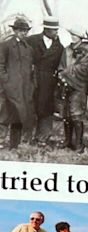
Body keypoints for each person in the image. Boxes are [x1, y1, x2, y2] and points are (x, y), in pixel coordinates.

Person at [26, 16, 63, 146]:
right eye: (54, 30)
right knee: (29, 107)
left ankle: (43, 137)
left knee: (46, 108)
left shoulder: (59, 46)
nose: (56, 33)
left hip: (49, 81)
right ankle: (26, 137)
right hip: (31, 77)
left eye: (57, 30)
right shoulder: (31, 40)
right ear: (47, 29)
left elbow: (60, 65)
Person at [0, 18, 36, 149]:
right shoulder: (6, 45)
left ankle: (14, 144)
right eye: (20, 30)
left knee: (20, 115)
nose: (23, 33)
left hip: (24, 89)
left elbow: (31, 69)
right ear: (14, 30)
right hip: (8, 87)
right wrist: (6, 81)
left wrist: (31, 85)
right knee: (4, 114)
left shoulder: (28, 48)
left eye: (25, 30)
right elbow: (1, 65)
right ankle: (1, 140)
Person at [57, 25, 88, 151]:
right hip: (65, 85)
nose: (73, 37)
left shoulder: (86, 52)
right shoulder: (66, 50)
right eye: (71, 35)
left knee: (76, 115)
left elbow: (84, 70)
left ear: (80, 38)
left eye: (75, 35)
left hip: (79, 87)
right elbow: (61, 66)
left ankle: (79, 143)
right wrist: (62, 76)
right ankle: (67, 140)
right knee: (66, 114)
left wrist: (69, 74)